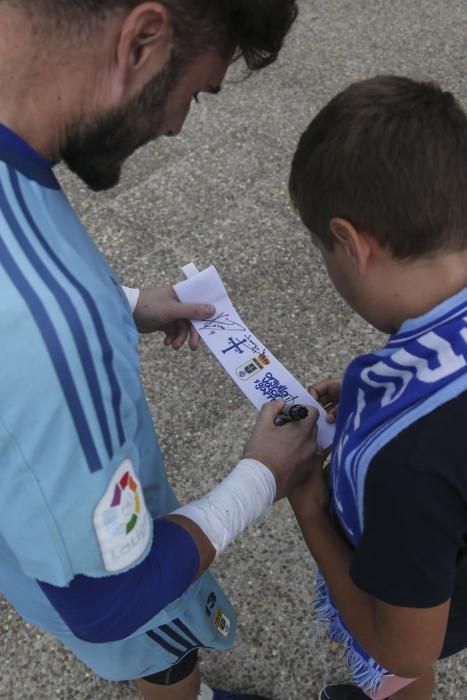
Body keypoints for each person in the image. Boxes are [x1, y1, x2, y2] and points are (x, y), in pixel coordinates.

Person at [0, 2, 318, 700]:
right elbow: (107, 602)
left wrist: (127, 302)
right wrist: (261, 477)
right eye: (196, 92)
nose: (177, 125)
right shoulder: (53, 325)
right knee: (158, 644)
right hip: (73, 563)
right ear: (142, 40)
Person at [287, 75, 467, 700]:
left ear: (351, 243)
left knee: (403, 667)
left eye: (323, 251)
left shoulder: (407, 462)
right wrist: (368, 396)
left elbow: (403, 648)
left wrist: (307, 500)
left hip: (425, 607)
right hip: (446, 550)